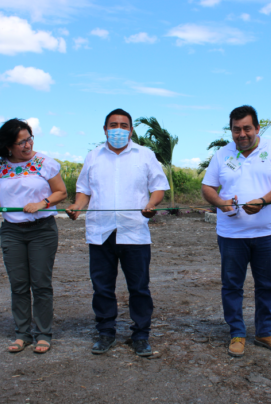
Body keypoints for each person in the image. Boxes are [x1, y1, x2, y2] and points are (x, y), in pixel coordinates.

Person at [66, 109, 169, 357]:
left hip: (134, 231)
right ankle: (105, 332)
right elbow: (84, 190)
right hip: (101, 231)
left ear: (131, 130)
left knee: (139, 287)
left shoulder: (145, 155)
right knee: (102, 287)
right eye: (113, 125)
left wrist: (152, 204)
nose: (118, 130)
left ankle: (141, 335)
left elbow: (158, 187)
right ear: (105, 129)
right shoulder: (93, 156)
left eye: (124, 126)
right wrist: (77, 206)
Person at [201, 105, 271, 357]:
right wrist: (221, 203)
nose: (241, 134)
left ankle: (266, 332)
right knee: (232, 286)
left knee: (267, 285)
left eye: (246, 128)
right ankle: (237, 334)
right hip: (231, 235)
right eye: (236, 129)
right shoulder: (222, 154)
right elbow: (208, 187)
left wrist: (263, 200)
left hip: (267, 233)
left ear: (257, 128)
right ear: (230, 130)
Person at [0, 118, 67, 354]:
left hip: (41, 230)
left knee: (40, 284)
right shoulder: (1, 165)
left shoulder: (44, 163)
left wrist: (42, 203)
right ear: (8, 146)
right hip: (11, 231)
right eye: (20, 142)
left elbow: (61, 192)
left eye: (29, 139)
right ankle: (22, 334)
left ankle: (43, 334)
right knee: (19, 284)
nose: (27, 145)